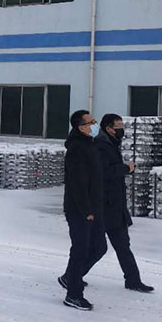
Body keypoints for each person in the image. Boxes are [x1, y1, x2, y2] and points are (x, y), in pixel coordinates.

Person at [93, 113, 154, 294]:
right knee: (95, 248)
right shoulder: (101, 146)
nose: (121, 129)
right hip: (104, 205)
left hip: (116, 205)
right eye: (118, 126)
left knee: (123, 245)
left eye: (122, 125)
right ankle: (72, 276)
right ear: (108, 128)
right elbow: (103, 172)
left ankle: (133, 280)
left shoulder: (112, 144)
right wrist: (126, 168)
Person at [58, 109, 104, 311]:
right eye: (91, 122)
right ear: (81, 127)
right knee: (81, 250)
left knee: (99, 247)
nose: (95, 125)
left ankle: (70, 277)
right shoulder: (77, 149)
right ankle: (73, 294)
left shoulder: (90, 144)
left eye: (94, 121)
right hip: (80, 209)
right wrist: (87, 210)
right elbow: (78, 183)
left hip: (94, 207)